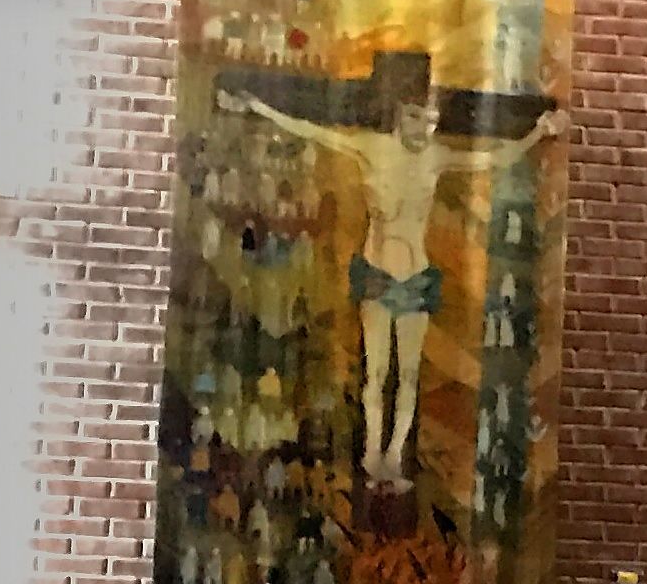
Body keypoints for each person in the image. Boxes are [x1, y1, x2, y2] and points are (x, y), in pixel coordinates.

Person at [219, 83, 564, 490]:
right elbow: (312, 130)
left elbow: (493, 157)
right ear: (400, 114)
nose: (425, 129)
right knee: (376, 373)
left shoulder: (437, 157)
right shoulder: (371, 148)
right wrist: (258, 105)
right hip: (378, 275)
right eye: (418, 118)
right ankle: (372, 452)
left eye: (432, 121)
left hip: (416, 279)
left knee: (410, 375)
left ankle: (395, 457)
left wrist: (538, 132)